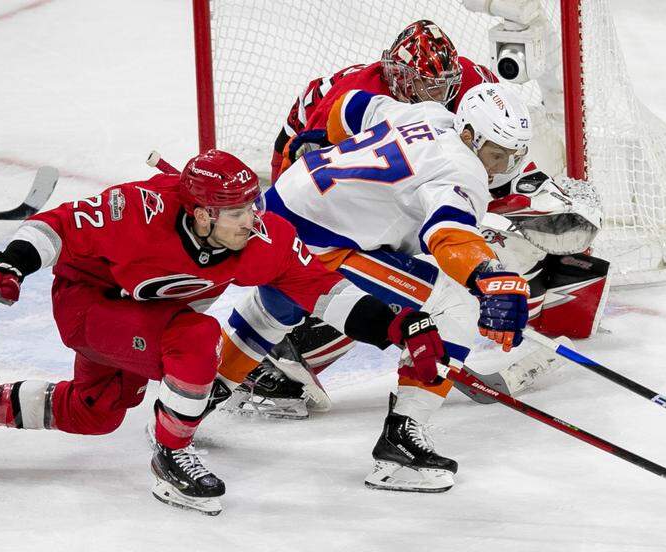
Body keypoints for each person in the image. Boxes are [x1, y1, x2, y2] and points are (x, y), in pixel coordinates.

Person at [0, 149, 446, 516]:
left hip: (138, 321)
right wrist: (8, 266)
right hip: (88, 306)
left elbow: (323, 288)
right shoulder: (137, 210)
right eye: (235, 211)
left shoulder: (260, 238)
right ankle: (171, 456)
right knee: (195, 339)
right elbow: (57, 225)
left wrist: (399, 325)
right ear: (200, 213)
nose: (250, 220)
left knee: (95, 412)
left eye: (252, 205)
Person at [216, 84, 536, 493]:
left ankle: (202, 393)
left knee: (282, 301)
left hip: (277, 211)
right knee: (456, 305)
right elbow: (449, 235)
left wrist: (326, 140)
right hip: (320, 241)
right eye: (497, 154)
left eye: (514, 156)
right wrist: (489, 279)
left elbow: (349, 107)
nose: (503, 166)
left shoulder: (427, 113)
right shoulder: (463, 169)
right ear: (470, 134)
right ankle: (402, 442)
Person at [269, 19, 498, 182]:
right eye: (431, 86)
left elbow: (502, 119)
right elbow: (308, 168)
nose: (443, 94)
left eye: (448, 84)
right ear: (403, 78)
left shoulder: (464, 75)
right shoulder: (357, 97)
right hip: (304, 128)